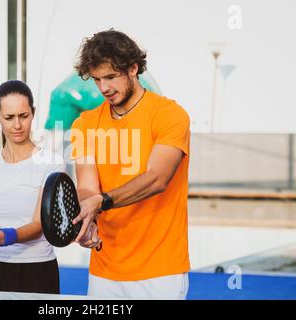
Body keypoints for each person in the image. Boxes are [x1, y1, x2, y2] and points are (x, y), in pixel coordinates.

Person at [70, 30, 191, 299]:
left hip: (161, 273)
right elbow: (87, 187)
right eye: (97, 79)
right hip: (104, 271)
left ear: (133, 68)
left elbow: (157, 179)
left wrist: (101, 201)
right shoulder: (85, 124)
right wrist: (88, 217)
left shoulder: (170, 115)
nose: (103, 88)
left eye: (111, 77)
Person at [0, 80, 65, 294]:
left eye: (24, 116)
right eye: (9, 118)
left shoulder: (52, 163)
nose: (17, 125)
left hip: (37, 270)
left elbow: (41, 223)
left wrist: (2, 236)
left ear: (33, 112)